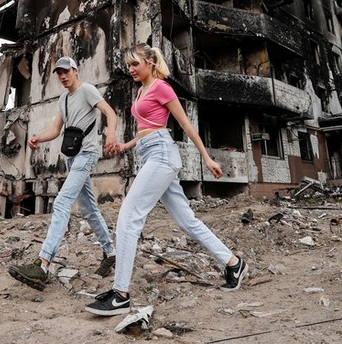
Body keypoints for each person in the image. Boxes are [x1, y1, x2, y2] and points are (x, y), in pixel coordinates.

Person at [85, 43, 249, 316]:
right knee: (187, 222)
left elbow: (184, 124)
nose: (131, 69)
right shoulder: (140, 91)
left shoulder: (162, 87)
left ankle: (120, 293)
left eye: (135, 64)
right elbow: (146, 130)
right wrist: (125, 146)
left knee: (128, 215)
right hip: (151, 154)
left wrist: (206, 158)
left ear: (150, 62)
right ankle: (233, 263)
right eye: (128, 65)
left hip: (162, 155)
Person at [8, 56, 118, 291]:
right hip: (71, 159)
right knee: (89, 209)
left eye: (66, 71)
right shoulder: (63, 100)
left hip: (86, 155)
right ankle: (111, 252)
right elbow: (56, 130)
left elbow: (110, 113)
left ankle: (43, 264)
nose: (62, 76)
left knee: (61, 203)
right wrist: (38, 137)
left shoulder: (87, 90)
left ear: (75, 71)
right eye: (58, 73)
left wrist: (110, 135)